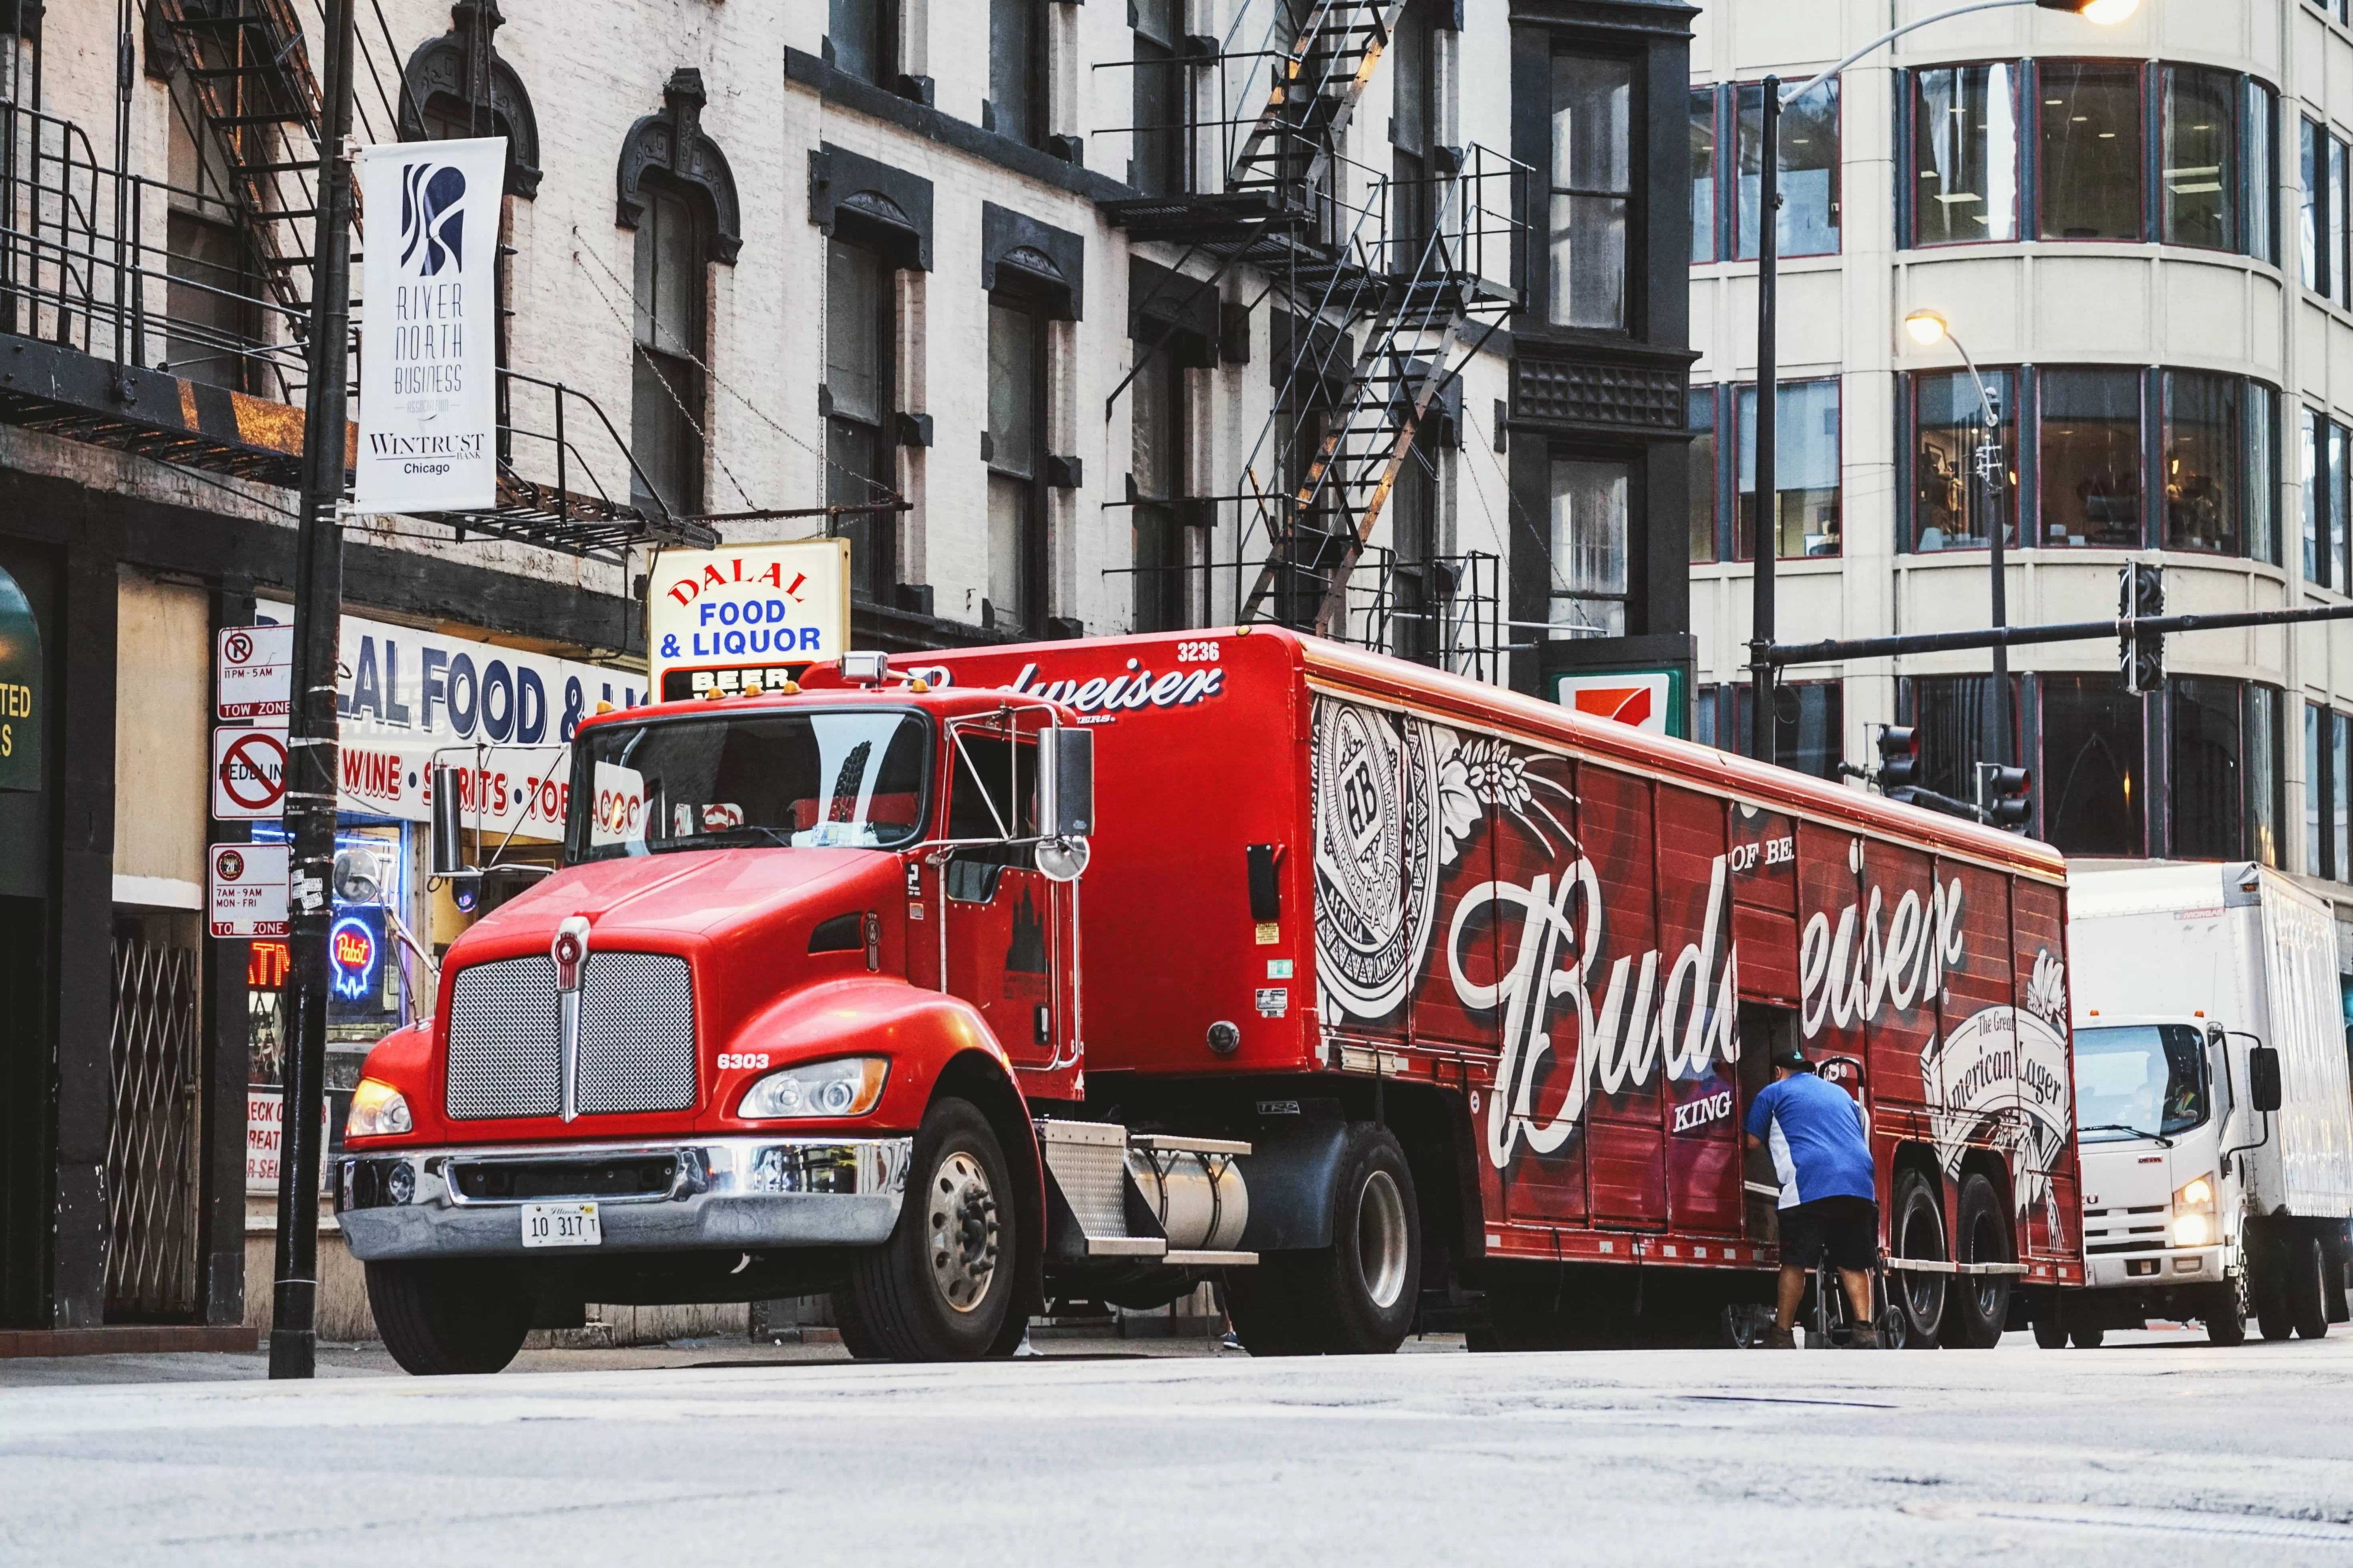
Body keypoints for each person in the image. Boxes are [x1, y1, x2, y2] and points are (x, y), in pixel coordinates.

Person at [1744, 1046, 1879, 1348]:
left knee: (1796, 1262)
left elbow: (1752, 1141)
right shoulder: (1841, 1095)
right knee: (1854, 1262)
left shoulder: (1773, 1093)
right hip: (1858, 1184)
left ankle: (1782, 1335)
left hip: (1810, 1185)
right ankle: (1865, 1330)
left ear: (1778, 1072)